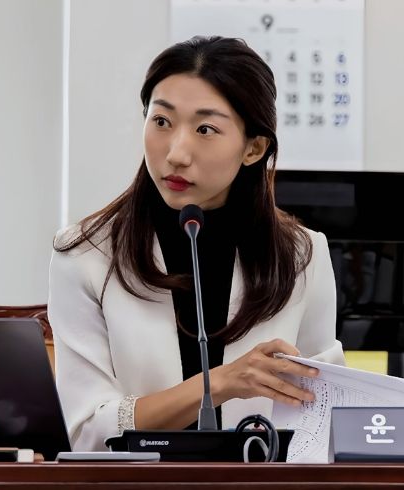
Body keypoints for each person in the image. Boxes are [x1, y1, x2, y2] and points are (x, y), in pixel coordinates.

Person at [47, 36, 345, 451]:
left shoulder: (301, 255)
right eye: (161, 121)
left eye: (205, 129)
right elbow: (84, 432)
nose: (176, 153)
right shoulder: (84, 254)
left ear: (254, 148)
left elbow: (324, 412)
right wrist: (218, 384)